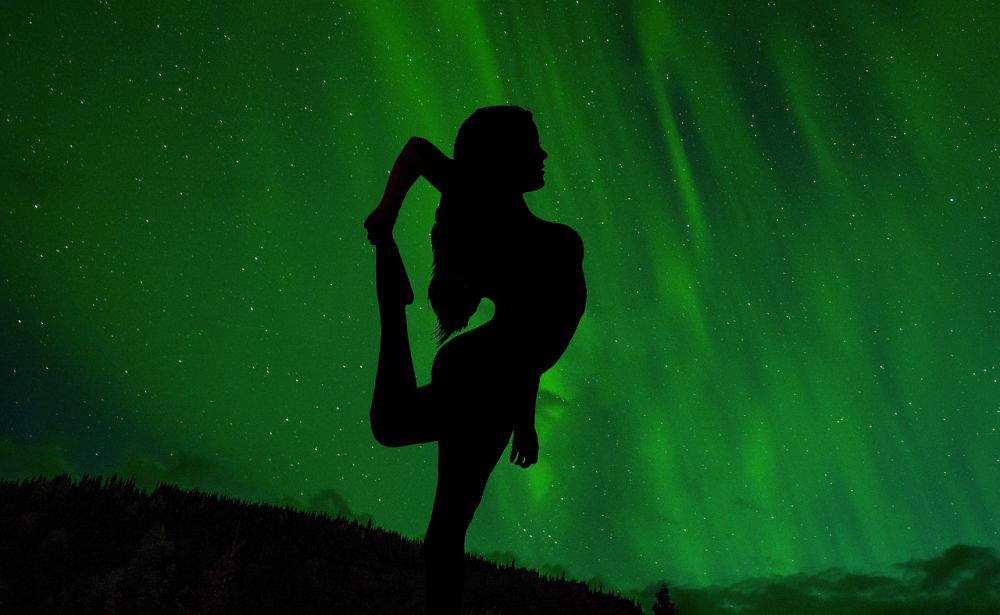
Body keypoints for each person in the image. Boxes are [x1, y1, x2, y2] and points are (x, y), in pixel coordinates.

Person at [364, 106, 586, 615]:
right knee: (393, 429)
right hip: (484, 377)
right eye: (530, 145)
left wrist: (524, 419)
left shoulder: (548, 240)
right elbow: (417, 152)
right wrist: (387, 212)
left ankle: (392, 297)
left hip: (495, 382)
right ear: (501, 157)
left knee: (447, 526)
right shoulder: (488, 202)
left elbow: (529, 334)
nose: (543, 154)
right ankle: (392, 300)